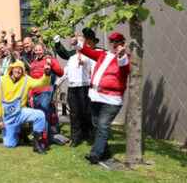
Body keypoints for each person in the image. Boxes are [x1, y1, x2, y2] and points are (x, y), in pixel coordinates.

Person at [71, 32, 130, 164]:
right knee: (97, 125)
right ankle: (105, 151)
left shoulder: (125, 58)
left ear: (123, 43)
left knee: (102, 125)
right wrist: (77, 43)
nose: (115, 44)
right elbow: (87, 51)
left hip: (112, 100)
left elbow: (125, 69)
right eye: (112, 42)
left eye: (118, 42)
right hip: (96, 97)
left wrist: (121, 55)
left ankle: (95, 155)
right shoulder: (103, 54)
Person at [0, 61, 51, 154]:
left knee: (39, 115)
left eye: (21, 69)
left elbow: (41, 83)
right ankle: (20, 133)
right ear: (11, 69)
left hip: (20, 113)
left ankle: (36, 144)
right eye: (16, 68)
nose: (18, 71)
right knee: (9, 144)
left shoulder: (26, 79)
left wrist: (47, 74)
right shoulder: (1, 80)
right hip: (7, 117)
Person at [53, 30, 96, 147]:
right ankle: (75, 138)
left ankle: (89, 136)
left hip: (85, 87)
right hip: (73, 88)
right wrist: (57, 84)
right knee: (74, 114)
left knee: (87, 113)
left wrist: (84, 63)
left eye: (81, 41)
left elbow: (93, 69)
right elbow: (66, 72)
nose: (78, 44)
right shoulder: (72, 57)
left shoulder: (89, 56)